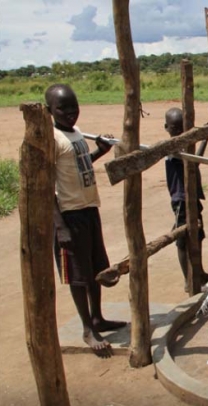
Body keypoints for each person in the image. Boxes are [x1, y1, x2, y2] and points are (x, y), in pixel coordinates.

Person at [45, 83, 126, 356]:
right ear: (49, 111)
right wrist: (60, 227)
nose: (70, 112)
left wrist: (99, 152)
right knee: (79, 277)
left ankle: (97, 318)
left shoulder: (76, 133)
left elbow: (78, 166)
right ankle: (87, 329)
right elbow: (46, 186)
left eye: (73, 106)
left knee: (93, 270)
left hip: (89, 209)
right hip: (70, 214)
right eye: (62, 108)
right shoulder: (51, 138)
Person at [164, 108, 208, 292]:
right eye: (175, 128)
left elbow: (194, 162)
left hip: (191, 197)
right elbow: (192, 161)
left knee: (197, 235)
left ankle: (198, 271)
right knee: (183, 239)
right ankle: (188, 279)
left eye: (182, 127)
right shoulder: (172, 149)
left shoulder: (184, 147)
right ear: (166, 127)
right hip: (181, 200)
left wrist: (204, 138)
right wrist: (202, 137)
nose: (179, 131)